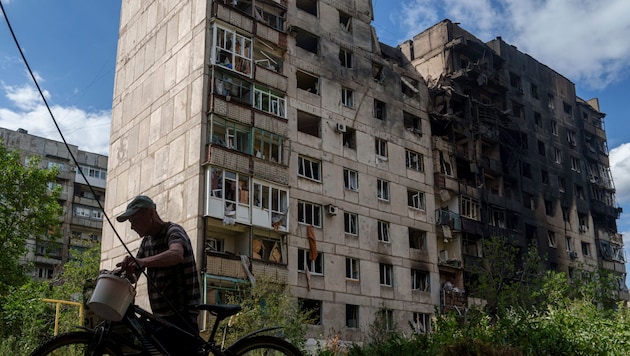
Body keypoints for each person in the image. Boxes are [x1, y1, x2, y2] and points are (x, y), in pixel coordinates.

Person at [116, 195, 201, 354]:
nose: (132, 227)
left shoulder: (173, 231)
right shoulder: (146, 242)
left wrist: (143, 262)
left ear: (150, 213)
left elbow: (176, 254)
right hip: (161, 317)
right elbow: (135, 276)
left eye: (134, 220)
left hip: (182, 316)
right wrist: (127, 271)